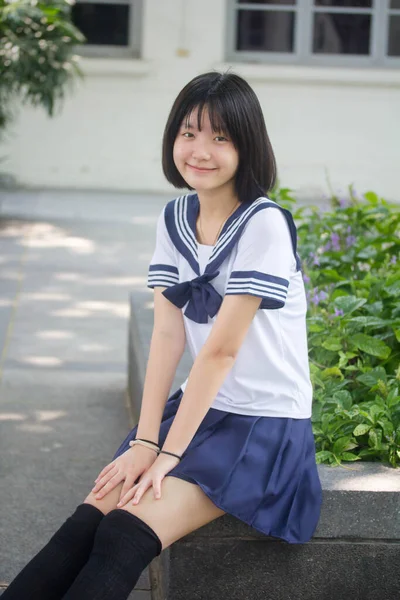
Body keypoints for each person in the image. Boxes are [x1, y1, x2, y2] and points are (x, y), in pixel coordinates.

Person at [3, 71, 323, 600]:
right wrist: (143, 441)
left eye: (221, 137)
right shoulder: (175, 217)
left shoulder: (263, 224)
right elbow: (167, 338)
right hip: (198, 412)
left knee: (124, 532)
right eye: (189, 132)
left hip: (263, 426)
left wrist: (167, 455)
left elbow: (219, 353)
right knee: (88, 519)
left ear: (249, 146)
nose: (200, 150)